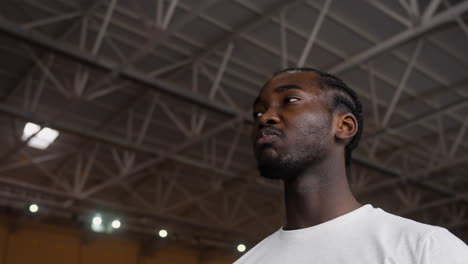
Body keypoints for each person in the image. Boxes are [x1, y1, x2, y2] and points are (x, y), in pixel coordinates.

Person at [234, 68, 468, 263]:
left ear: (344, 126)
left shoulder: (425, 249)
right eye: (258, 112)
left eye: (290, 100)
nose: (265, 118)